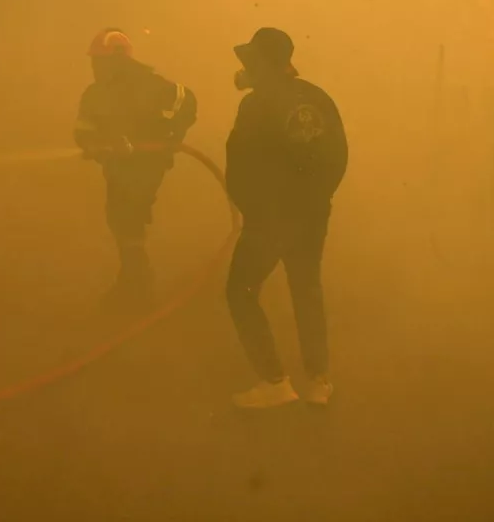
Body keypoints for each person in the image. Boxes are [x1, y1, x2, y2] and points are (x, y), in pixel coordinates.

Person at [224, 27, 348, 409]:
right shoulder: (317, 97)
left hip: (270, 218)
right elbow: (338, 156)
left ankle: (273, 381)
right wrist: (318, 200)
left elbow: (239, 164)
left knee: (240, 291)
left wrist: (252, 210)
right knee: (306, 288)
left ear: (261, 63)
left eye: (249, 61)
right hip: (312, 214)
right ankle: (319, 381)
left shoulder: (256, 104)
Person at [74, 28, 198, 309]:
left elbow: (186, 102)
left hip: (146, 163)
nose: (95, 67)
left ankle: (137, 282)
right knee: (120, 216)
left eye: (100, 61)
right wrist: (94, 143)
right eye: (94, 62)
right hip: (117, 166)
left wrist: (171, 135)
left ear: (118, 60)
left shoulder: (152, 85)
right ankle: (134, 278)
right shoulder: (95, 94)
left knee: (127, 213)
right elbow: (82, 129)